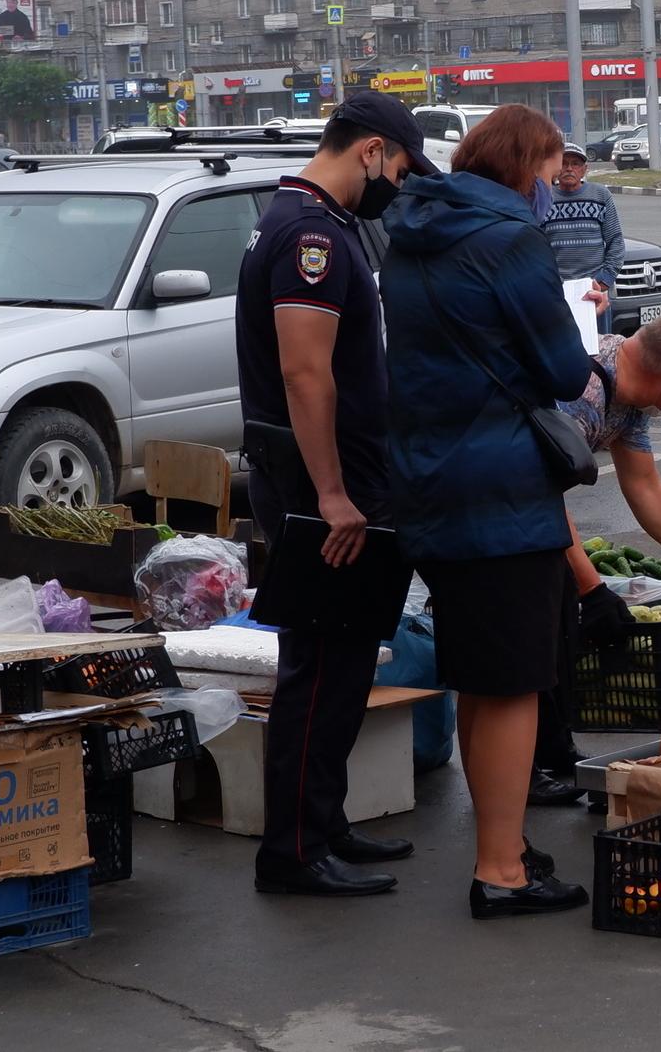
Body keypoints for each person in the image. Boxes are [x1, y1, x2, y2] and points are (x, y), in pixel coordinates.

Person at [378, 103, 598, 919]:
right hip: (502, 486)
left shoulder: (408, 235)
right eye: (548, 173)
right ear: (523, 168)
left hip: (427, 479)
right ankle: (501, 868)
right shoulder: (511, 240)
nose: (552, 189)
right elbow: (563, 370)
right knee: (512, 683)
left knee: (477, 673)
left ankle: (499, 844)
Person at [235, 91, 437, 898]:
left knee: (345, 663)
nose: (399, 182)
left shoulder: (307, 218)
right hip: (327, 491)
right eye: (401, 166)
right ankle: (292, 852)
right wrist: (332, 494)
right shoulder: (311, 233)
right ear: (372, 150)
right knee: (319, 671)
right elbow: (303, 370)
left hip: (340, 480)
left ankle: (323, 821)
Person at [529, 310, 661, 807]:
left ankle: (553, 753)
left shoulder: (631, 389)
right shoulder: (582, 390)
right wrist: (591, 587)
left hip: (537, 515)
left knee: (558, 632)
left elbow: (643, 485)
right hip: (503, 514)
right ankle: (528, 768)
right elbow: (541, 496)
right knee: (539, 638)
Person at [535, 143, 626, 333]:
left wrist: (603, 281)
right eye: (565, 163)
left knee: (598, 351)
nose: (569, 168)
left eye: (576, 164)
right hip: (556, 292)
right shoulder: (543, 198)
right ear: (557, 167)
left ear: (585, 169)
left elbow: (616, 242)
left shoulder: (601, 196)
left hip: (594, 291)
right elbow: (535, 248)